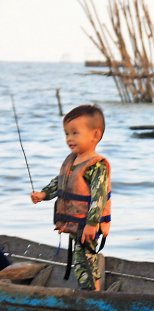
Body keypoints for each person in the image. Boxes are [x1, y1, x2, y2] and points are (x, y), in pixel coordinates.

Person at [31, 105, 111, 291]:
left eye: (75, 133)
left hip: (88, 225)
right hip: (76, 223)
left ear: (95, 135)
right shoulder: (72, 160)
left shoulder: (97, 166)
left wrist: (92, 223)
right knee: (80, 259)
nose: (69, 139)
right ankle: (89, 293)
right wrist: (43, 194)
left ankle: (93, 295)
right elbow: (60, 182)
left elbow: (99, 197)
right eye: (67, 133)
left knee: (85, 260)